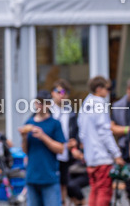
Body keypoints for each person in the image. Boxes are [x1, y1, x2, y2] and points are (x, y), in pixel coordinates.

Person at [79, 76, 124, 206]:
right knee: (104, 192)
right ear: (99, 89)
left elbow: (82, 133)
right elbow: (105, 132)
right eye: (108, 88)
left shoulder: (86, 104)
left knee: (95, 190)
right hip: (102, 157)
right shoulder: (99, 103)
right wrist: (116, 154)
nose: (109, 92)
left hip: (90, 158)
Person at [21, 91, 66, 206]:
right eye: (39, 103)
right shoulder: (29, 122)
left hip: (49, 176)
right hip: (32, 176)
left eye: (44, 103)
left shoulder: (54, 124)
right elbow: (25, 151)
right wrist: (24, 138)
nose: (41, 106)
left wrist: (43, 137)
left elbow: (60, 149)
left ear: (49, 104)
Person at [49, 79, 75, 205]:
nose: (61, 95)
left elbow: (74, 132)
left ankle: (62, 202)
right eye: (58, 91)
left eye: (64, 92)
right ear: (52, 93)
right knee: (50, 182)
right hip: (49, 153)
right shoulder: (46, 110)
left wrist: (74, 142)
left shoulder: (70, 112)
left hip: (64, 154)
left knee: (63, 183)